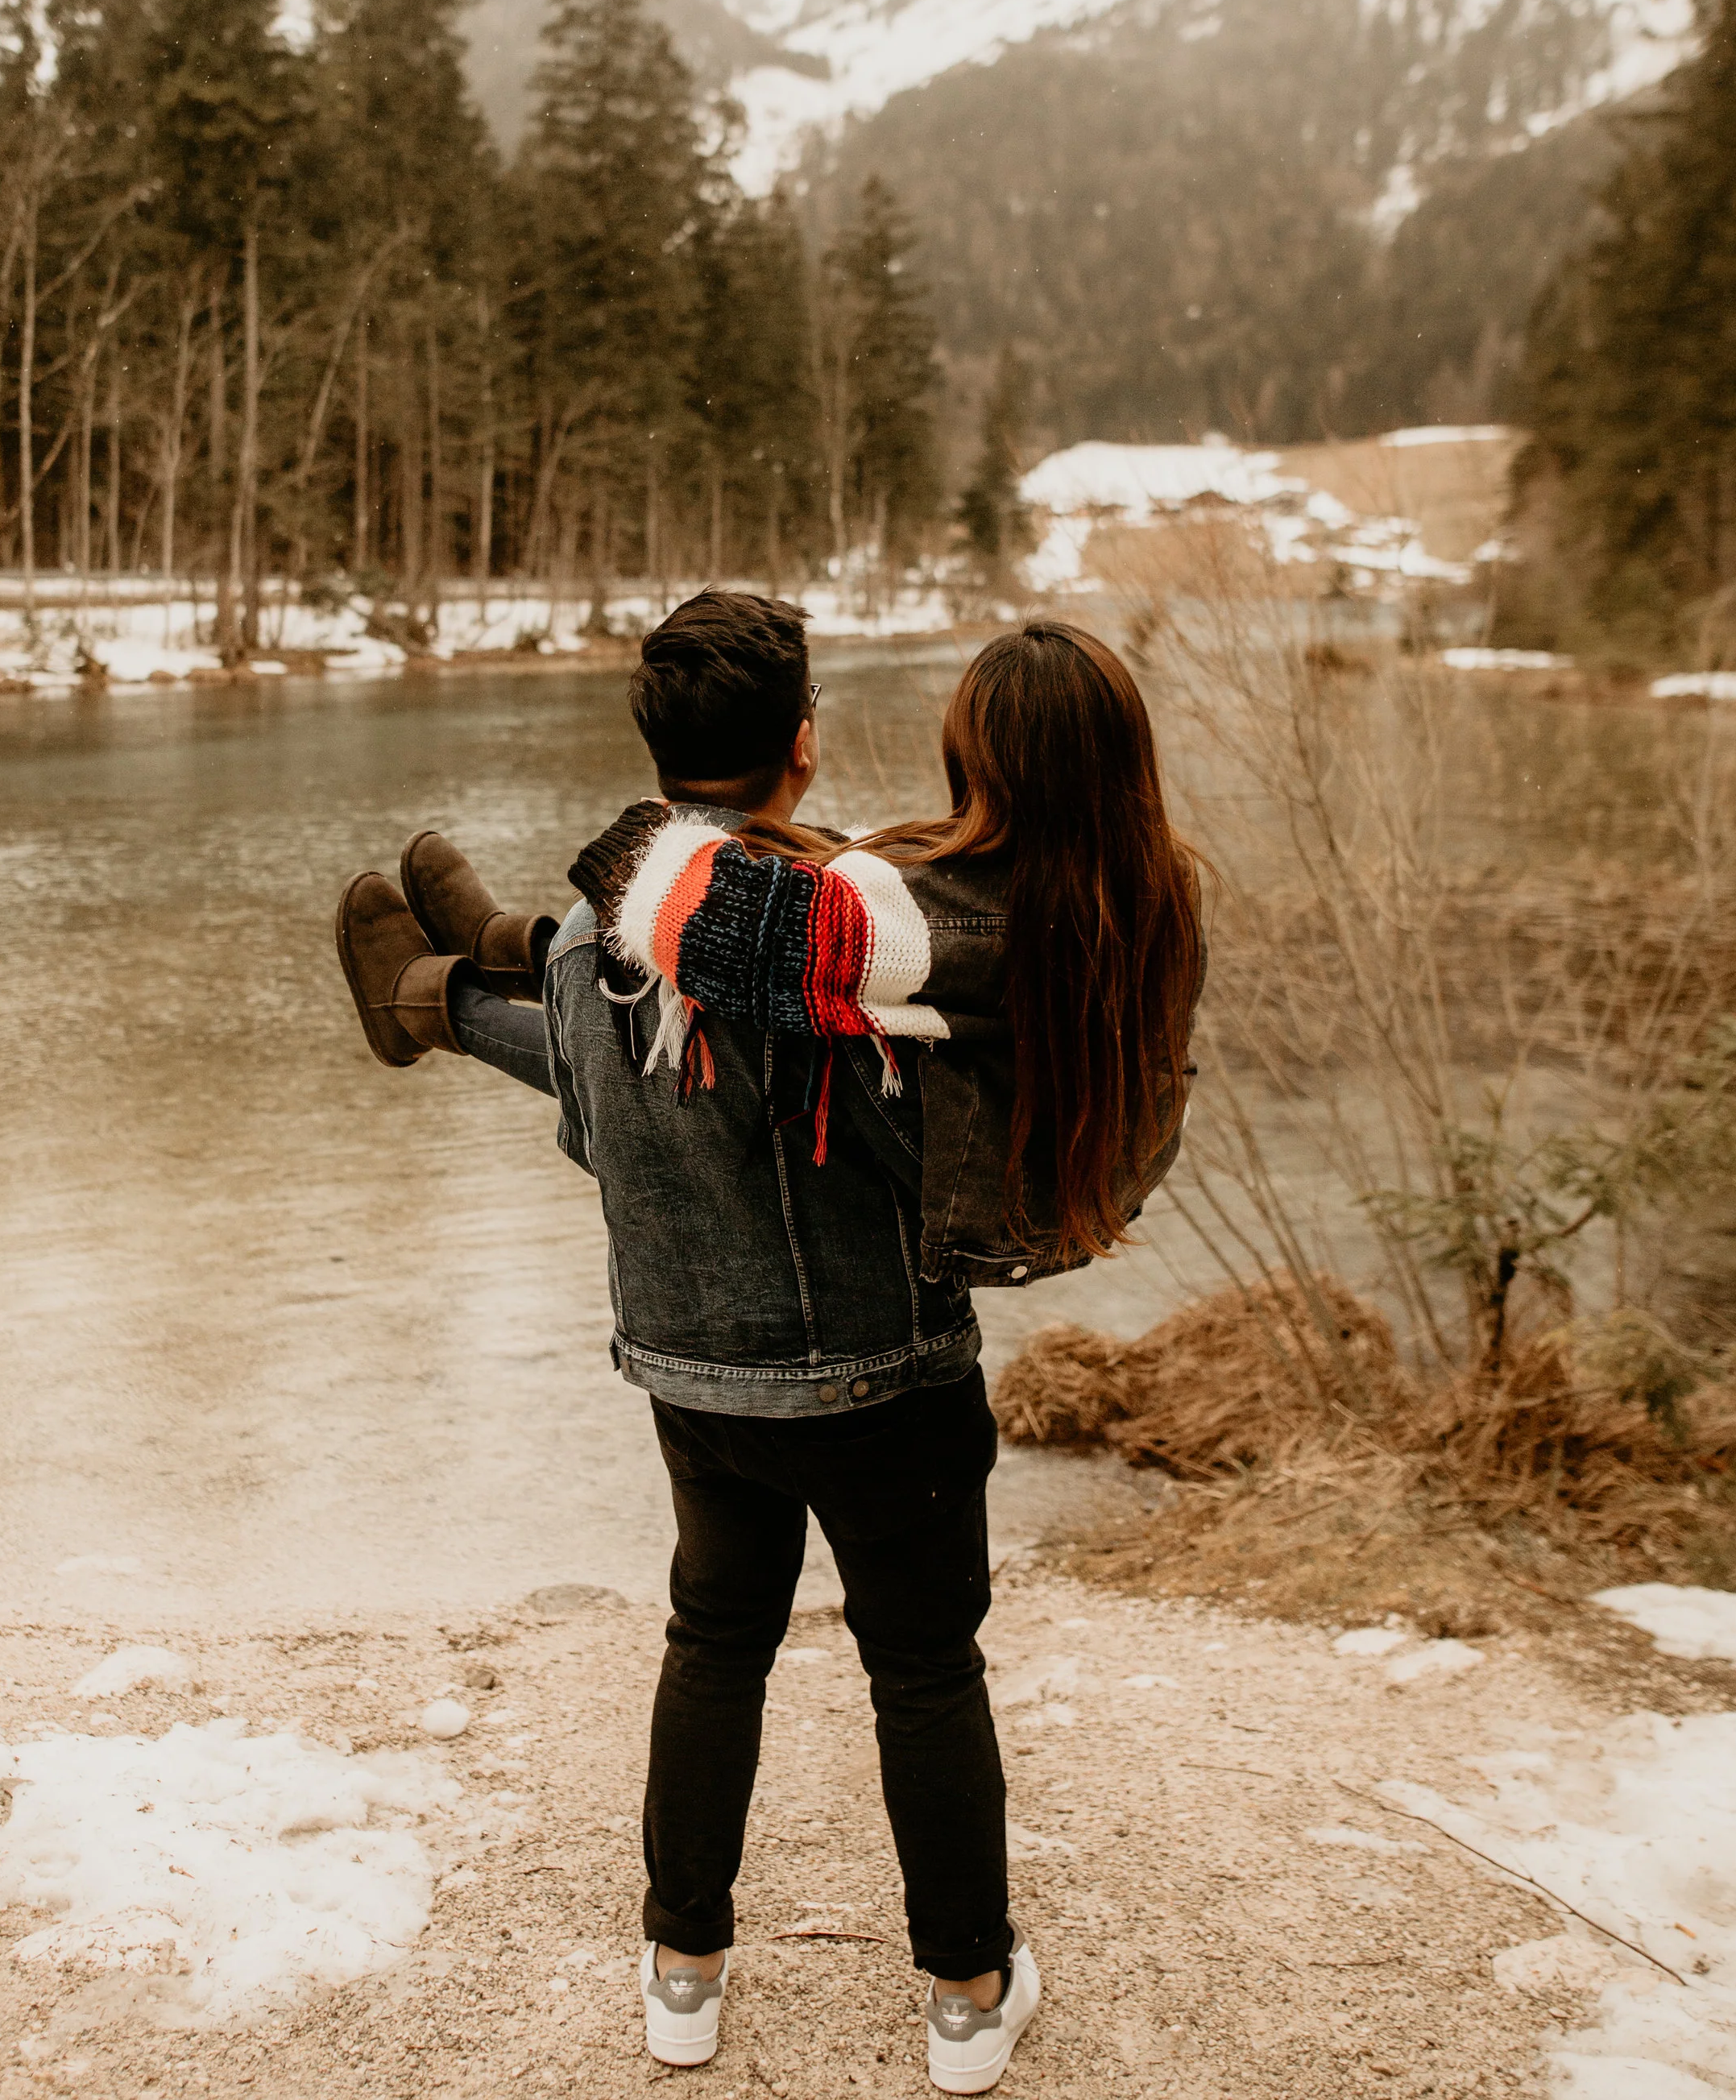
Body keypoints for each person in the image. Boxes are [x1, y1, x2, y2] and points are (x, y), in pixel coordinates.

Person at [334, 594, 1204, 2093]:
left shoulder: (870, 923)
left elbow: (631, 1080)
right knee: (924, 1667)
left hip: (695, 1366)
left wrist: (614, 879)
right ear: (806, 742)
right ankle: (967, 1998)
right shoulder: (1070, 901)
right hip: (888, 1369)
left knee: (714, 1641)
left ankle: (684, 1976)